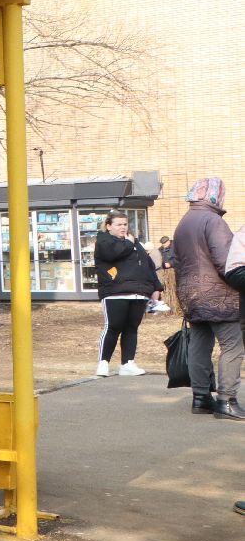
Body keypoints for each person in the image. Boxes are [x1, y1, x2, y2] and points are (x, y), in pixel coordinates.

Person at [172, 178, 245, 421]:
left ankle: (201, 398)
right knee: (233, 345)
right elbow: (228, 262)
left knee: (200, 344)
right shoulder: (214, 221)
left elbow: (176, 260)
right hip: (218, 295)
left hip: (191, 295)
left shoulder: (183, 223)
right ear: (215, 195)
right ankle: (227, 400)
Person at [91, 210, 161, 377]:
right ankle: (103, 363)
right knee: (113, 327)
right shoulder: (104, 240)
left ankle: (127, 363)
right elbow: (112, 253)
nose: (123, 227)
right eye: (118, 224)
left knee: (131, 328)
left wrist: (156, 288)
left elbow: (148, 265)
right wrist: (129, 244)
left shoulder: (135, 242)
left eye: (125, 224)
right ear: (109, 226)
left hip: (138, 292)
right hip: (115, 292)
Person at [152, 235, 177, 314]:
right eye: (162, 243)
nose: (163, 245)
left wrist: (171, 263)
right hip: (165, 273)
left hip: (174, 271)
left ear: (168, 241)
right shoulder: (160, 249)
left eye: (164, 243)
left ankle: (175, 307)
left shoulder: (176, 247)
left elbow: (179, 258)